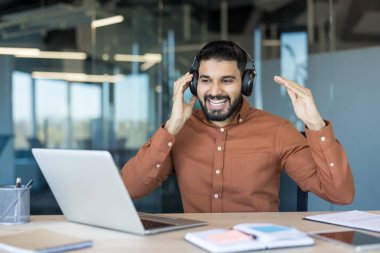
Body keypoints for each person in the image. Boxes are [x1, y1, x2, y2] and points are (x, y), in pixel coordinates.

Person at [121, 40, 354, 212]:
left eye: (227, 80)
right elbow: (129, 188)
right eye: (205, 80)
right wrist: (170, 128)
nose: (214, 91)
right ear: (193, 85)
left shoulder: (278, 131)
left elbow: (340, 194)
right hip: (195, 244)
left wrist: (315, 124)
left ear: (246, 83)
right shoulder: (179, 132)